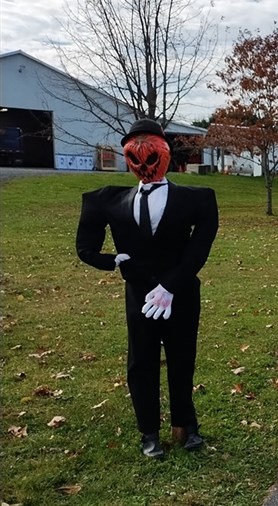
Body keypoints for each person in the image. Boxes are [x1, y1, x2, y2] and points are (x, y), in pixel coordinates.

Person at [76, 118, 219, 458]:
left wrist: (171, 285)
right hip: (140, 296)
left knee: (182, 359)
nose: (143, 163)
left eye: (150, 154)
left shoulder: (195, 200)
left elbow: (201, 245)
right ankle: (149, 432)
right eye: (134, 155)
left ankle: (187, 425)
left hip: (181, 293)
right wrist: (111, 260)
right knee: (141, 361)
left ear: (164, 153)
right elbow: (85, 246)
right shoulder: (110, 201)